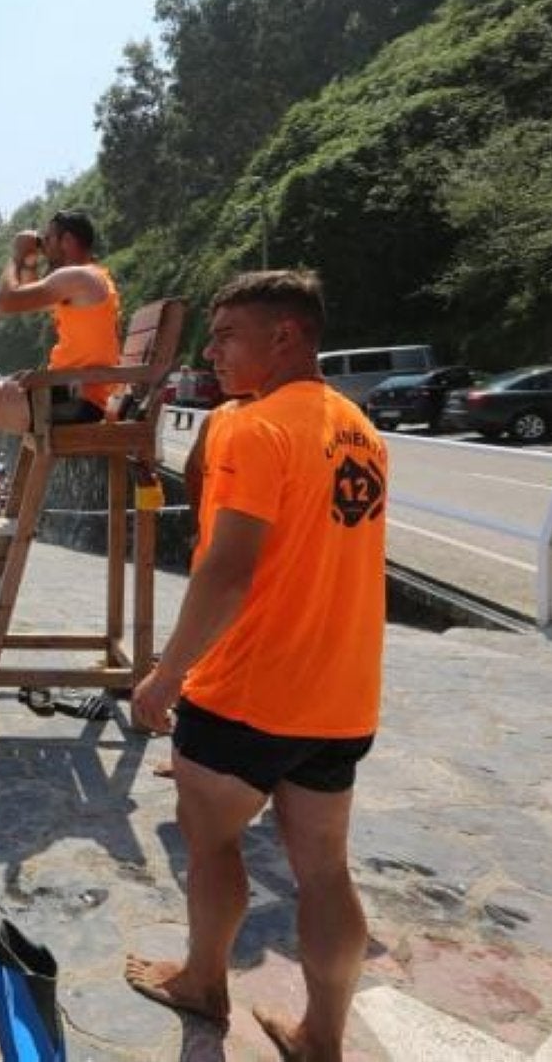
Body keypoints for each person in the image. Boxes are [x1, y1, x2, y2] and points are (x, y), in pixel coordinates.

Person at [123, 271, 387, 1060]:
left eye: (228, 334)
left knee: (212, 845)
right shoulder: (361, 431)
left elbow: (229, 569)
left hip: (246, 690)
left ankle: (205, 979)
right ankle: (322, 1037)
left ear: (285, 336)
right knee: (325, 872)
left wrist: (166, 675)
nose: (212, 350)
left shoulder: (254, 426)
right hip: (340, 699)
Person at [0, 209, 121, 434]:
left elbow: (4, 303)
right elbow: (27, 295)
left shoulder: (77, 277)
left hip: (69, 400)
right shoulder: (91, 279)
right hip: (77, 396)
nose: (44, 246)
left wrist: (16, 255)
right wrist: (30, 259)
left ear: (66, 240)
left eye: (48, 239)